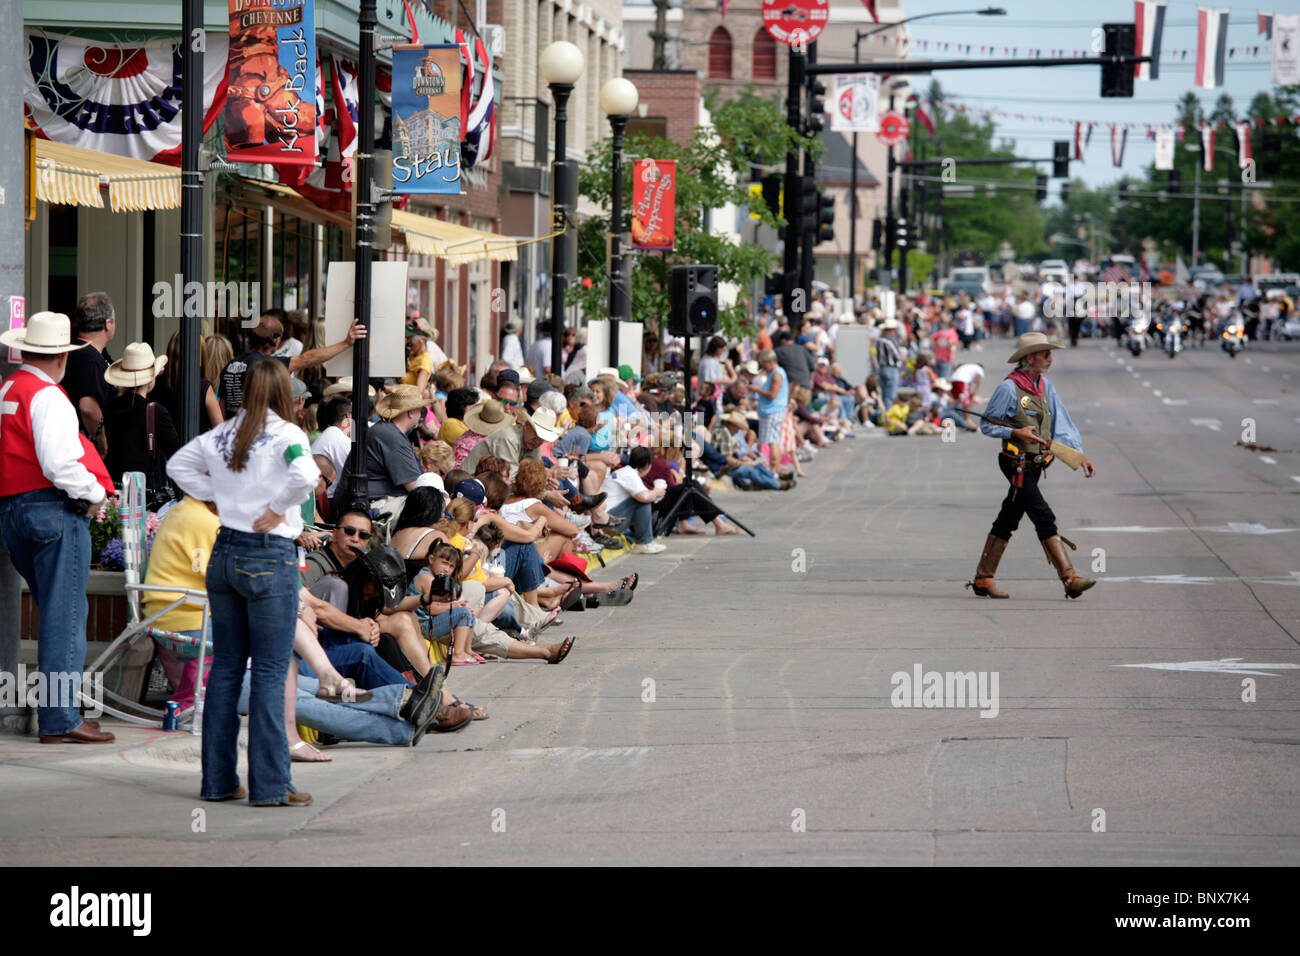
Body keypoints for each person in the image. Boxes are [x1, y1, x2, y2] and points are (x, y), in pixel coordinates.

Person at [167, 358, 320, 806]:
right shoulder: (288, 435)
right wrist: (277, 506)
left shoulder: (222, 434)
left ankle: (218, 781)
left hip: (226, 551)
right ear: (284, 394)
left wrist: (219, 497)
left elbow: (179, 466)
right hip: (270, 552)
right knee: (271, 670)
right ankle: (272, 785)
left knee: (227, 668)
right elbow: (306, 476)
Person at [0, 311, 115, 744]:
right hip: (52, 508)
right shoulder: (47, 395)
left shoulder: (9, 388)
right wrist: (95, 494)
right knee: (65, 615)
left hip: (13, 509)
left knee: (54, 611)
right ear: (61, 357)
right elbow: (59, 462)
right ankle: (61, 716)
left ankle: (58, 714)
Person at [968, 333, 1098, 601]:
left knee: (1009, 518)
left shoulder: (1045, 386)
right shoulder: (1008, 388)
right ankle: (1070, 578)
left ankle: (983, 578)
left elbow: (1061, 423)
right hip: (1016, 464)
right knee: (1043, 516)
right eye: (1046, 354)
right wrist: (1016, 434)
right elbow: (987, 425)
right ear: (1031, 358)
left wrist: (1078, 456)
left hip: (1036, 464)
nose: (1050, 359)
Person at [220, 312, 366, 416]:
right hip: (253, 435)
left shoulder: (230, 366)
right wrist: (346, 343)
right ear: (276, 340)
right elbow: (305, 359)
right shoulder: (264, 365)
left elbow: (222, 407)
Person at [63, 292, 117, 457]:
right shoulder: (90, 359)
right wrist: (102, 441)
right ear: (108, 324)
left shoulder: (72, 351)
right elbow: (88, 407)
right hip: (84, 449)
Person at [602, 447, 667, 554]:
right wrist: (656, 492)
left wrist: (653, 494)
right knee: (641, 501)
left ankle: (645, 540)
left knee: (643, 497)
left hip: (607, 519)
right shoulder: (630, 474)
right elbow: (644, 497)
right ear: (647, 465)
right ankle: (644, 542)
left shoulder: (626, 472)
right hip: (607, 524)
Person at [746, 349, 788, 471]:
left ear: (770, 362)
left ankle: (774, 469)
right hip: (772, 411)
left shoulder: (776, 374)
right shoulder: (775, 373)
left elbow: (772, 395)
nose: (763, 367)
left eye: (763, 363)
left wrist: (757, 389)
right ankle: (774, 469)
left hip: (773, 412)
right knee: (772, 441)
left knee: (772, 442)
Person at [874, 318, 903, 410]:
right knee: (890, 394)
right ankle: (887, 414)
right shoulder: (889, 341)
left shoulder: (879, 340)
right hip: (891, 368)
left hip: (882, 367)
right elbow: (897, 355)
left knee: (883, 393)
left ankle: (882, 413)